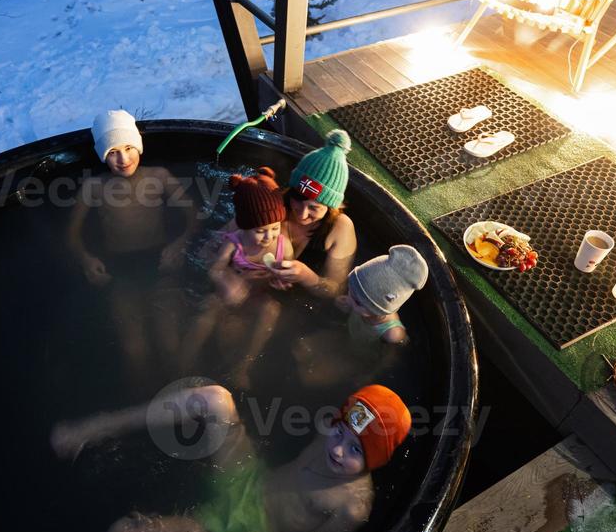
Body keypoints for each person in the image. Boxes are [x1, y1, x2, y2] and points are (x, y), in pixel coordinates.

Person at [49, 380, 412, 532]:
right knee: (215, 399)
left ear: (375, 461)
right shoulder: (331, 431)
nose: (337, 450)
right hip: (249, 480)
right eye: (341, 433)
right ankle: (96, 427)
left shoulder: (352, 506)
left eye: (355, 451)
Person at [68, 110, 198, 381]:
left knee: (170, 343)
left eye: (129, 148)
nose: (123, 159)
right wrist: (86, 259)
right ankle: (144, 407)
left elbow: (193, 215)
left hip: (162, 262)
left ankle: (185, 400)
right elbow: (71, 235)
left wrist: (179, 244)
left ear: (139, 145)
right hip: (120, 269)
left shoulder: (159, 177)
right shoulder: (94, 187)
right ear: (102, 155)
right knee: (134, 350)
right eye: (113, 151)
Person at [182, 168, 289, 385]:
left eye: (274, 228)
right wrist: (224, 280)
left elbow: (287, 270)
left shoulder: (282, 246)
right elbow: (214, 268)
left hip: (257, 297)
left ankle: (242, 367)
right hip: (227, 295)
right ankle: (183, 363)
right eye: (260, 230)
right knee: (208, 308)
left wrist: (282, 279)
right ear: (244, 226)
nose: (268, 236)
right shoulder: (235, 241)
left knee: (271, 310)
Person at [294, 245, 430, 387]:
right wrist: (348, 306)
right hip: (346, 338)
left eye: (357, 300)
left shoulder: (392, 333)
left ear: (379, 309)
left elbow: (388, 361)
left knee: (309, 376)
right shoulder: (362, 305)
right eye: (352, 291)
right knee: (299, 347)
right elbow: (357, 305)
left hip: (359, 358)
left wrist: (370, 375)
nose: (350, 297)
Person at [269, 130, 358, 299]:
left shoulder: (340, 228)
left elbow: (336, 290)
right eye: (297, 198)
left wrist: (305, 276)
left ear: (331, 206)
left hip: (300, 302)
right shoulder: (275, 203)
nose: (302, 214)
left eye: (314, 208)